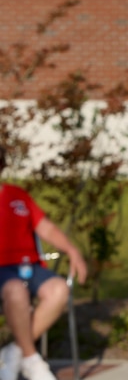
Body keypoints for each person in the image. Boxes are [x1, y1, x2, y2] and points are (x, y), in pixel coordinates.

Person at [0, 145, 88, 380]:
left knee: (59, 289)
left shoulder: (18, 196)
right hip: (2, 272)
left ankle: (15, 353)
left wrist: (72, 250)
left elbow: (46, 228)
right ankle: (31, 359)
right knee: (16, 291)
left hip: (30, 267)